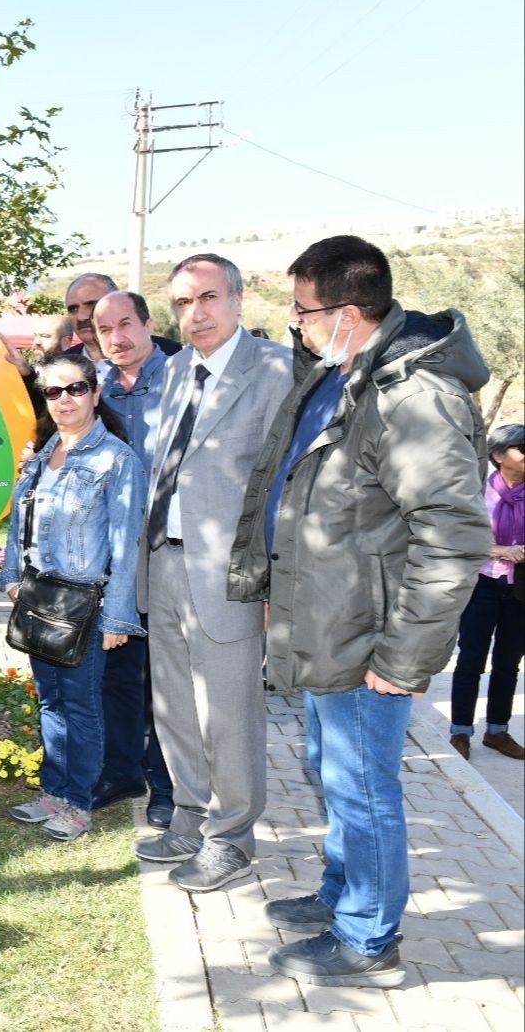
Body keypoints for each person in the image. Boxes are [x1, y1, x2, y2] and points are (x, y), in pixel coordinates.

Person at [229, 235, 489, 987]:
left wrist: (403, 660)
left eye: (304, 311)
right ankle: (343, 896)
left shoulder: (415, 397)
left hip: (369, 642)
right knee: (333, 771)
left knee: (365, 786)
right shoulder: (343, 377)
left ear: (347, 311)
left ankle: (369, 942)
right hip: (326, 624)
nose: (295, 323)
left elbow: (451, 537)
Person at [133, 254, 292, 892]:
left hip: (231, 576)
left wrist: (273, 584)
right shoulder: (174, 372)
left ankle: (233, 837)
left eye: (207, 298)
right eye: (181, 303)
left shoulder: (278, 372)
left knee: (226, 712)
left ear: (237, 298)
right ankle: (191, 819)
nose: (194, 313)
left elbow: (282, 487)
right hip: (165, 563)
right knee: (172, 706)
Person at [0, 355, 146, 841]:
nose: (64, 400)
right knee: (51, 702)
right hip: (41, 601)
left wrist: (118, 619)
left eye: (75, 389)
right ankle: (54, 792)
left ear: (95, 393)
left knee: (81, 706)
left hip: (86, 605)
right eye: (53, 392)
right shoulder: (41, 457)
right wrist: (13, 577)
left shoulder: (117, 460)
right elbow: (22, 525)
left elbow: (126, 548)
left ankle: (78, 801)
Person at [87, 290, 175, 824]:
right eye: (104, 330)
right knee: (117, 673)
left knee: (166, 677)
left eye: (126, 324)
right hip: (112, 558)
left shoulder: (185, 380)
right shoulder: (93, 386)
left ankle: (166, 785)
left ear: (147, 324)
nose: (116, 338)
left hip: (169, 552)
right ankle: (122, 773)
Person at [448, 422, 525, 760]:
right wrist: (499, 550)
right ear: (498, 455)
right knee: (470, 659)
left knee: (509, 662)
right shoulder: (477, 490)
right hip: (481, 583)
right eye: (522, 448)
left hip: (519, 588)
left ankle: (497, 731)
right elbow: (457, 534)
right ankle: (461, 732)